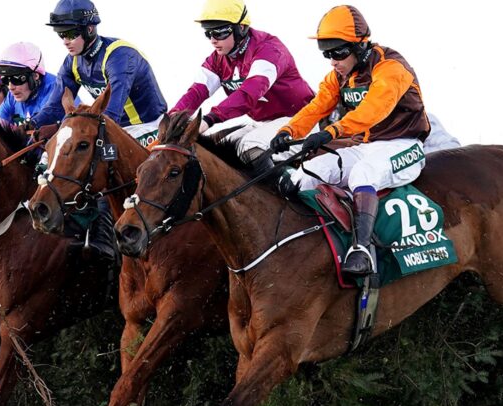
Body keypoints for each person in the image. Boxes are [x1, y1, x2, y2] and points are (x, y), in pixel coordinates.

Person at [270, 5, 431, 276]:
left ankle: (361, 249)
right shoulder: (339, 76)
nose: (332, 60)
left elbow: (373, 110)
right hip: (366, 147)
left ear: (361, 45)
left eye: (338, 52)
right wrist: (288, 132)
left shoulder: (390, 67)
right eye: (327, 54)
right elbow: (316, 107)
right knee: (307, 175)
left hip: (405, 146)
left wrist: (332, 132)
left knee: (363, 174)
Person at [170, 0, 314, 166]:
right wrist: (173, 117)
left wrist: (209, 119)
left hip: (299, 120)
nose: (213, 40)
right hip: (260, 123)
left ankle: (289, 187)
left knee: (247, 149)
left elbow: (249, 93)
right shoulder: (217, 59)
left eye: (219, 33)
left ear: (242, 28)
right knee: (213, 151)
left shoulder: (269, 49)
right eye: (208, 33)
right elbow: (197, 92)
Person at [34, 0, 167, 145]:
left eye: (71, 33)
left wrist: (59, 126)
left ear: (90, 29)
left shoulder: (119, 56)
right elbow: (54, 106)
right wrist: (32, 124)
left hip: (148, 125)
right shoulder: (71, 62)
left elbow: (112, 113)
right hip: (114, 126)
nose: (65, 41)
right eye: (61, 34)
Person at [0, 42, 73, 131]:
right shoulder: (12, 95)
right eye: (5, 80)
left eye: (16, 79)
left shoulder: (56, 90)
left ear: (35, 76)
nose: (10, 87)